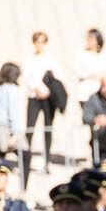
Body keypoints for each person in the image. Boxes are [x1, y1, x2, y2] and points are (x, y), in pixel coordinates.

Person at [22, 32, 65, 179]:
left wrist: (47, 90)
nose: (39, 45)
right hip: (34, 97)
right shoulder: (29, 60)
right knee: (30, 129)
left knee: (47, 129)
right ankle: (25, 159)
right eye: (37, 42)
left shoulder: (51, 60)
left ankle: (46, 162)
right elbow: (27, 77)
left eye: (42, 42)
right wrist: (37, 88)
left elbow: (58, 78)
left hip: (48, 99)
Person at [74, 29, 106, 113]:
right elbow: (78, 71)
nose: (89, 41)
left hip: (100, 91)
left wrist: (99, 75)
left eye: (92, 38)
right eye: (88, 38)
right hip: (85, 92)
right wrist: (90, 75)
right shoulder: (81, 53)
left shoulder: (104, 54)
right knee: (90, 117)